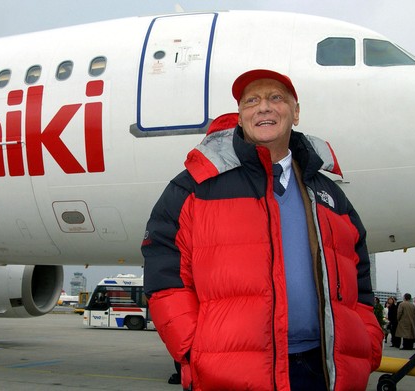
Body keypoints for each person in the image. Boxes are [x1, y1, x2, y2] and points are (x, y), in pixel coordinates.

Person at [141, 69, 383, 391]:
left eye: (275, 98)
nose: (263, 108)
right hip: (233, 372)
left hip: (321, 370)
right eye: (251, 100)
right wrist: (192, 348)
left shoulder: (329, 193)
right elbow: (164, 273)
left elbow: (360, 281)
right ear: (240, 117)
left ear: (295, 113)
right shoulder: (194, 188)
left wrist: (366, 344)